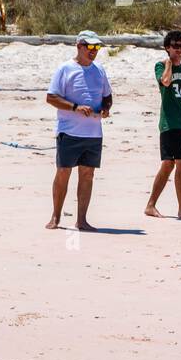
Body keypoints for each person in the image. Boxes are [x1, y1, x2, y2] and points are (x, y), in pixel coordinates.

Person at [45, 30, 112, 231]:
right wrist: (76, 107)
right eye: (90, 47)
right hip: (69, 132)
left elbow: (107, 96)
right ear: (79, 46)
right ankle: (55, 217)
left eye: (97, 47)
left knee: (87, 175)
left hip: (93, 133)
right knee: (63, 172)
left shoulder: (99, 69)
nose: (93, 51)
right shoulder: (65, 69)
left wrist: (106, 108)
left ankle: (81, 220)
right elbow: (51, 98)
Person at [145, 30, 181, 220]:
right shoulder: (160, 66)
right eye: (175, 46)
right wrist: (169, 64)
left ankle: (150, 205)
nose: (179, 50)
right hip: (168, 123)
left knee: (168, 165)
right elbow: (165, 82)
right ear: (167, 48)